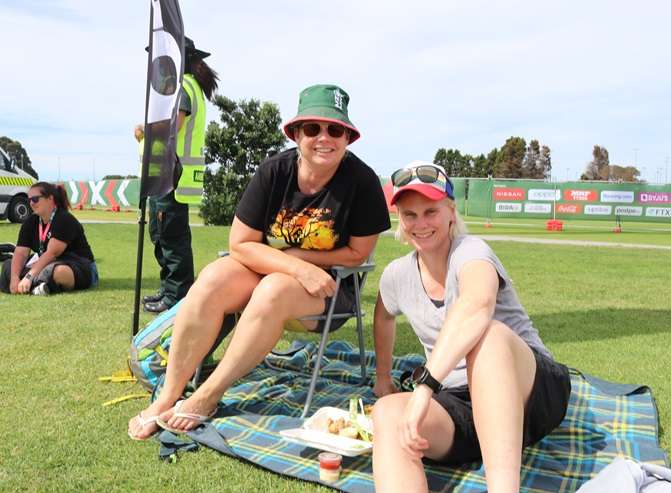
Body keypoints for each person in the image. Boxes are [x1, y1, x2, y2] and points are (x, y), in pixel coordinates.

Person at [127, 84, 391, 440]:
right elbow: (239, 243)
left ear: (348, 137)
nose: (324, 138)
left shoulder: (363, 182)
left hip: (332, 289)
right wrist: (295, 264)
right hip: (274, 272)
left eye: (335, 130)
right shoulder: (274, 171)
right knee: (213, 278)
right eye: (313, 128)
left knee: (273, 288)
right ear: (297, 134)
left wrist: (300, 260)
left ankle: (207, 395)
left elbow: (358, 254)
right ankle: (168, 396)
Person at [371, 162, 571, 493]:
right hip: (459, 400)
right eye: (410, 215)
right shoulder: (396, 274)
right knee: (389, 415)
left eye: (430, 211)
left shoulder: (471, 251)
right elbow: (383, 316)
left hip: (530, 390)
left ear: (451, 211)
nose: (420, 224)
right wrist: (382, 378)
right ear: (401, 221)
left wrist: (423, 388)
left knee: (487, 336)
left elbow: (476, 307)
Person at [136, 37, 219, 313]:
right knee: (162, 236)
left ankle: (178, 296)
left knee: (172, 240)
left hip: (173, 177)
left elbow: (173, 127)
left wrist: (143, 133)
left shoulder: (181, 87)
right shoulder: (186, 86)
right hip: (169, 177)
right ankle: (169, 290)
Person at [0, 182, 98, 295]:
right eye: (29, 200)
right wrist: (14, 278)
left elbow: (52, 253)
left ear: (50, 199)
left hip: (77, 265)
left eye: (35, 199)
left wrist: (28, 277)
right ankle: (39, 287)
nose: (31, 203)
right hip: (45, 263)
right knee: (9, 265)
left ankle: (34, 285)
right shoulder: (30, 222)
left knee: (58, 272)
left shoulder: (64, 219)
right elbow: (21, 252)